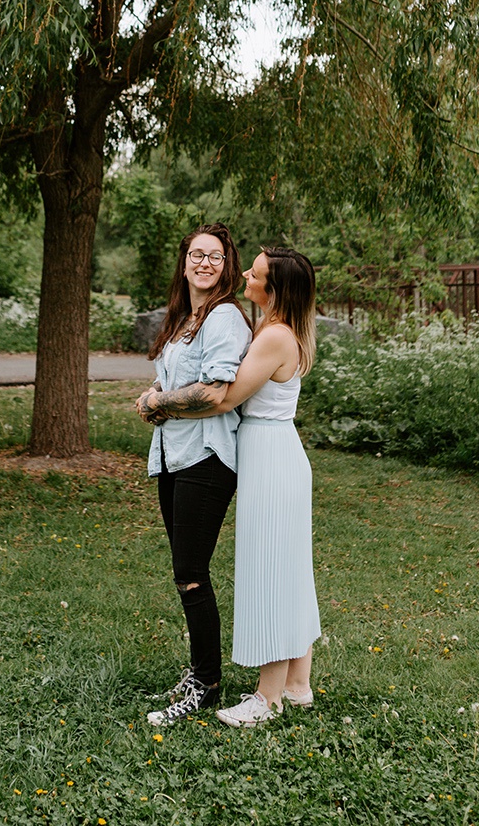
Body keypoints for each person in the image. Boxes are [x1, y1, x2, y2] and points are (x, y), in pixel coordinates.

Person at [137, 246, 320, 727]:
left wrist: (160, 401)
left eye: (255, 274)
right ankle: (297, 684)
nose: (244, 275)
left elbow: (223, 398)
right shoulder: (274, 329)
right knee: (290, 568)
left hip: (272, 457)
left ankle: (268, 698)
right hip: (273, 451)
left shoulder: (275, 336)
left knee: (272, 571)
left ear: (274, 289)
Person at [135, 224, 252, 727]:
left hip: (205, 457)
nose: (205, 263)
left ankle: (205, 684)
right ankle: (200, 673)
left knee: (190, 573)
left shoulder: (224, 317)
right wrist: (154, 396)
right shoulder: (186, 317)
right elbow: (177, 378)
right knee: (186, 572)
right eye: (197, 254)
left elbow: (213, 393)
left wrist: (157, 402)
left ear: (227, 266)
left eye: (216, 257)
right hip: (174, 455)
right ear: (184, 261)